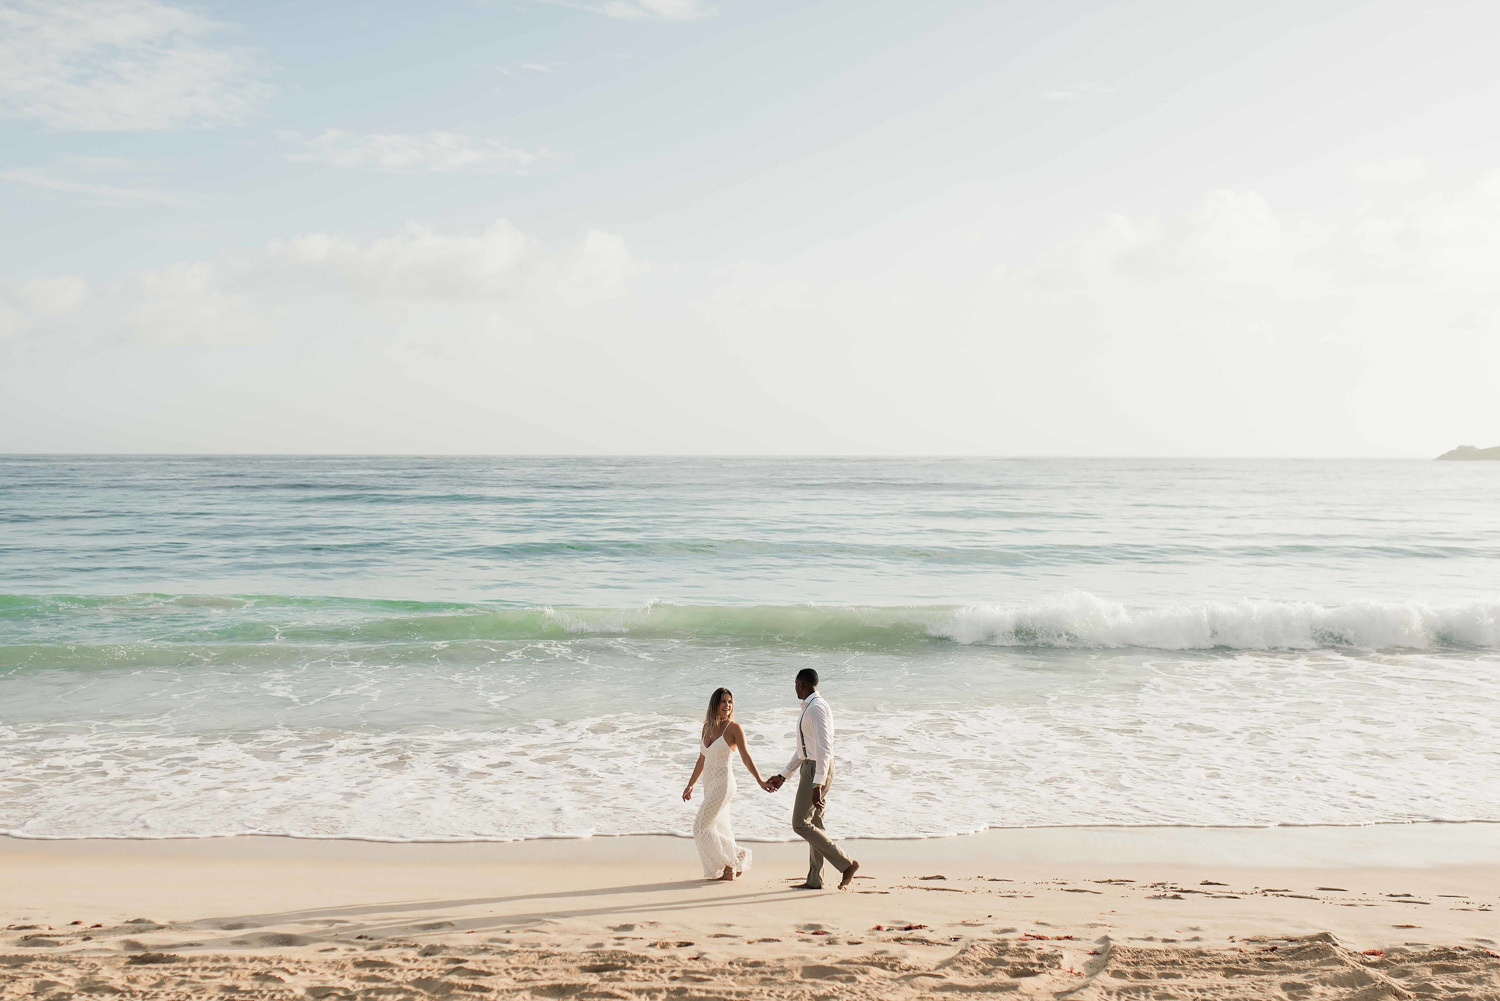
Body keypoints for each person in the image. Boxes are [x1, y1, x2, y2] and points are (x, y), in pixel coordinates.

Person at [764, 668, 860, 890]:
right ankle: (815, 879)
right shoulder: (810, 707)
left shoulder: (816, 709)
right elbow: (803, 750)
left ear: (801, 685)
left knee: (800, 823)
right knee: (815, 823)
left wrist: (817, 783)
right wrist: (783, 776)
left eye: (795, 686)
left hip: (818, 769)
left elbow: (825, 749)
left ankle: (846, 864)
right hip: (812, 767)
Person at [682, 687, 772, 880]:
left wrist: (760, 781)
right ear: (715, 704)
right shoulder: (706, 726)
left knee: (700, 826)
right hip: (709, 783)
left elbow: (746, 757)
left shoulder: (734, 728)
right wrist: (691, 784)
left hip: (724, 784)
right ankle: (729, 868)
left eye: (730, 702)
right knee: (716, 827)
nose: (727, 705)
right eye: (723, 701)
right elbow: (702, 759)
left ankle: (737, 855)